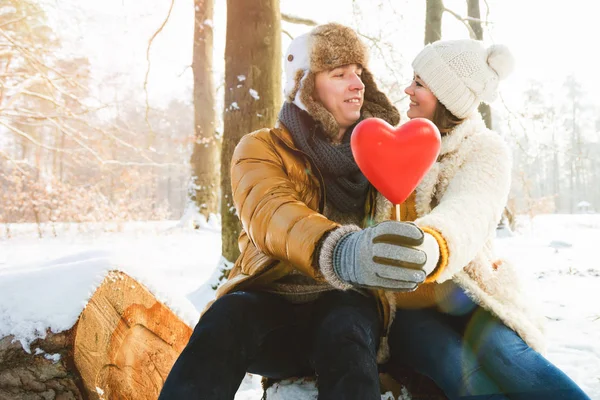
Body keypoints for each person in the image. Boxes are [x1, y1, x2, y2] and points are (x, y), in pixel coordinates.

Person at [159, 23, 440, 400]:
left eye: (359, 73)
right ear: (304, 87)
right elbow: (271, 210)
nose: (357, 84)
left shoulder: (389, 153)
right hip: (275, 304)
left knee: (346, 325)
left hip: (348, 312)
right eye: (339, 74)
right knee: (226, 317)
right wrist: (341, 250)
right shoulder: (261, 147)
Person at [381, 39, 590, 400]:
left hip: (467, 295)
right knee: (456, 366)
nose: (406, 90)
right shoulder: (392, 142)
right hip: (406, 308)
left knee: (510, 358)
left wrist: (429, 243)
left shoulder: (485, 150)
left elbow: (469, 211)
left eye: (419, 82)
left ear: (447, 96)